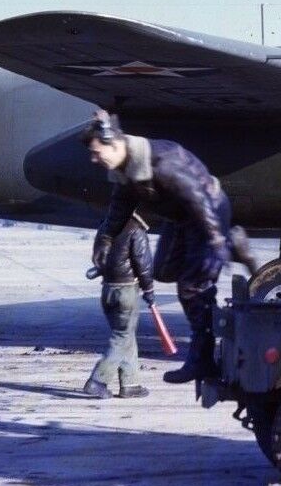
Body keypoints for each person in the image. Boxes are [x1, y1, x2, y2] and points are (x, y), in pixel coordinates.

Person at [84, 111, 256, 384]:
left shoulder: (163, 162)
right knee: (163, 269)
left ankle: (202, 360)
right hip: (182, 218)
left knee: (192, 288)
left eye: (97, 152)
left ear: (114, 143)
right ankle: (233, 242)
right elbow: (120, 207)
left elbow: (198, 199)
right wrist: (105, 239)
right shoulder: (125, 169)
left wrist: (216, 240)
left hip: (208, 212)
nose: (95, 159)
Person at [83, 211, 154, 399]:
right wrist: (149, 290)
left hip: (107, 291)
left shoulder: (106, 227)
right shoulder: (136, 230)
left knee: (126, 335)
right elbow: (143, 263)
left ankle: (130, 384)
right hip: (126, 291)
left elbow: (98, 258)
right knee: (122, 337)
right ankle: (97, 381)